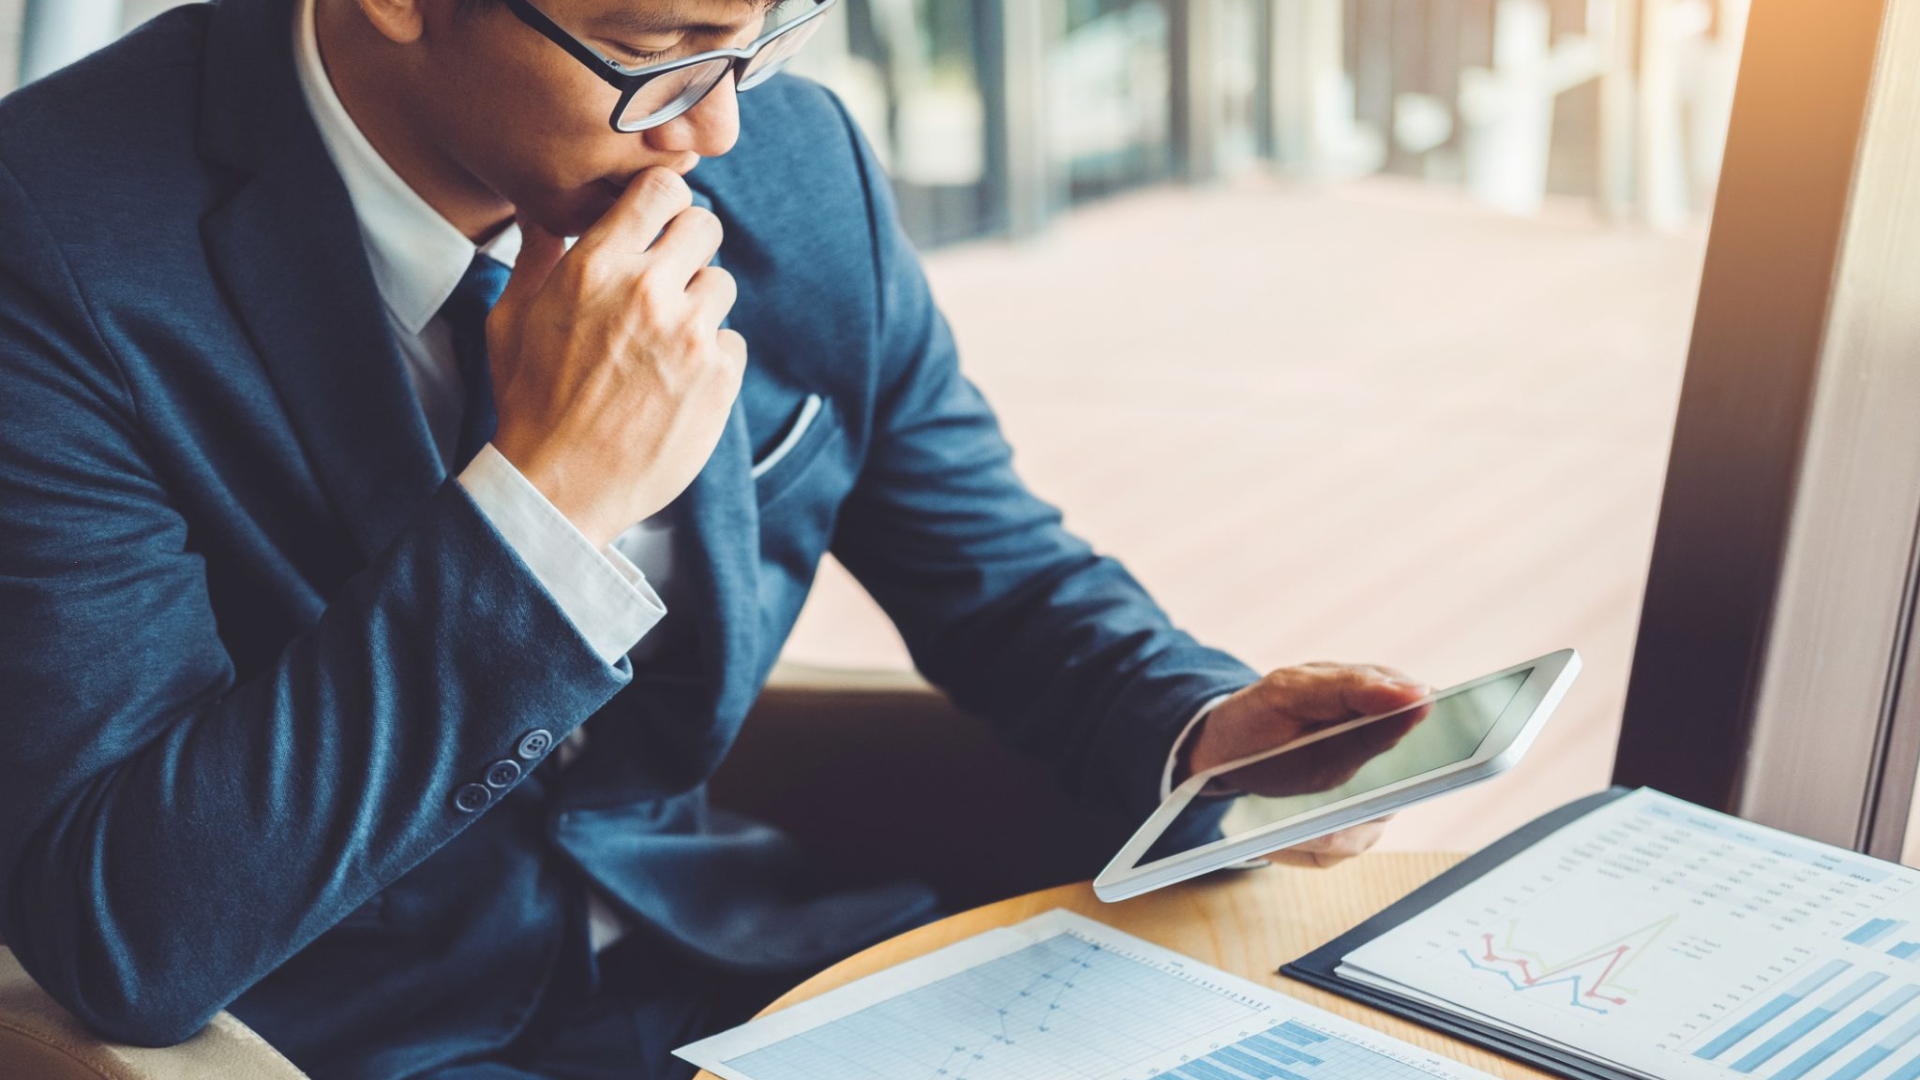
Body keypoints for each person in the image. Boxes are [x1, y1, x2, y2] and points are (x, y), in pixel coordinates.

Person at [0, 0, 1429, 1076]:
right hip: (353, 1040)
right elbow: (132, 931)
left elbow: (1000, 580)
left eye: (758, 37)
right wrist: (545, 505)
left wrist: (1205, 732)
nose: (718, 129)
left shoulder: (794, 170)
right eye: (659, 51)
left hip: (755, 969)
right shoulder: (51, 247)